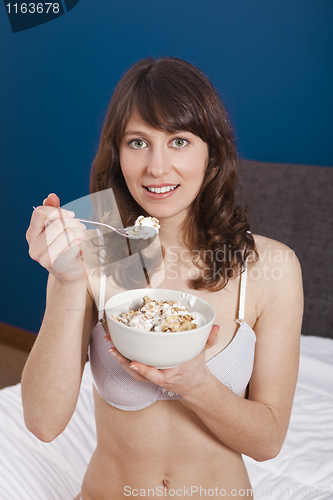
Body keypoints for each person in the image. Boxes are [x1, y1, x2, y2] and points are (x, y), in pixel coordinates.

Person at [23, 57, 303, 500]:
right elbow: (42, 423)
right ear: (117, 153)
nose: (156, 167)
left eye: (178, 141)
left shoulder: (268, 266)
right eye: (138, 142)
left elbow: (267, 441)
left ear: (211, 152)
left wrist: (195, 383)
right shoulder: (103, 248)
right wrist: (66, 281)